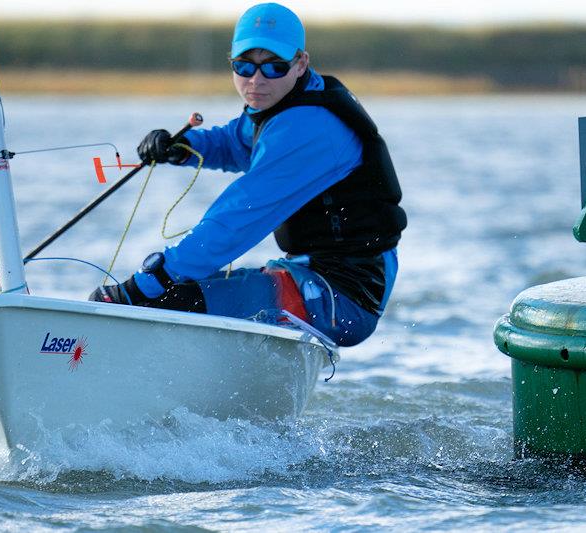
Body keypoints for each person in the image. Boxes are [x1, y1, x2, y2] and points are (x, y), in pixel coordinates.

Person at [89, 2, 407, 347]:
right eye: (244, 66)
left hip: (341, 299)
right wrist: (183, 146)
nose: (256, 80)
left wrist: (149, 281)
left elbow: (238, 218)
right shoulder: (285, 102)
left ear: (300, 63)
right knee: (172, 292)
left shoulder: (311, 128)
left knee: (162, 297)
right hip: (309, 274)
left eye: (273, 67)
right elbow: (234, 142)